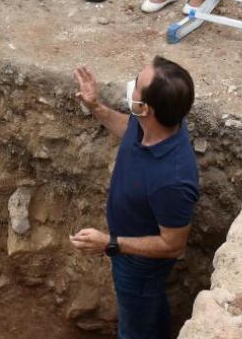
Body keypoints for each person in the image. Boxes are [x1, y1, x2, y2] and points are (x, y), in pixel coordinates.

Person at [70, 58, 199, 339]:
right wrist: (96, 106)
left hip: (139, 266)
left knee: (134, 329)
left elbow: (173, 245)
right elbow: (129, 129)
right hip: (131, 256)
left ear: (145, 108)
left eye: (137, 86)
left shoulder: (172, 180)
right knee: (150, 311)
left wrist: (110, 243)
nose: (131, 87)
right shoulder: (154, 124)